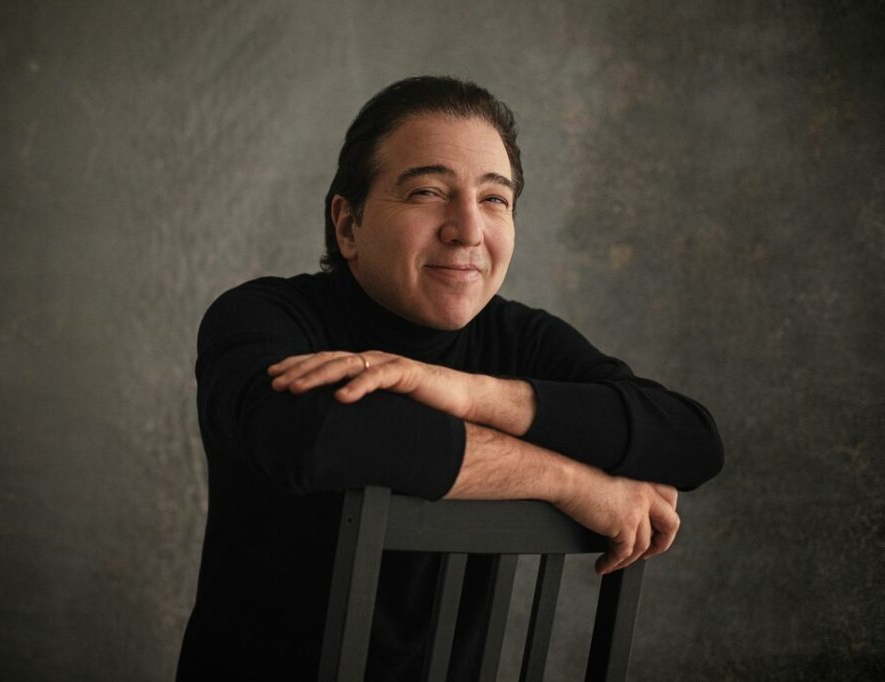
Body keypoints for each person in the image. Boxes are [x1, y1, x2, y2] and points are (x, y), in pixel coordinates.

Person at [176, 76, 723, 681]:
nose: (468, 228)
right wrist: (568, 480)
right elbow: (315, 436)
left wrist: (468, 391)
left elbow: (691, 441)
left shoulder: (518, 339)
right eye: (427, 192)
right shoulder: (261, 317)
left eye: (494, 199)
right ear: (348, 225)